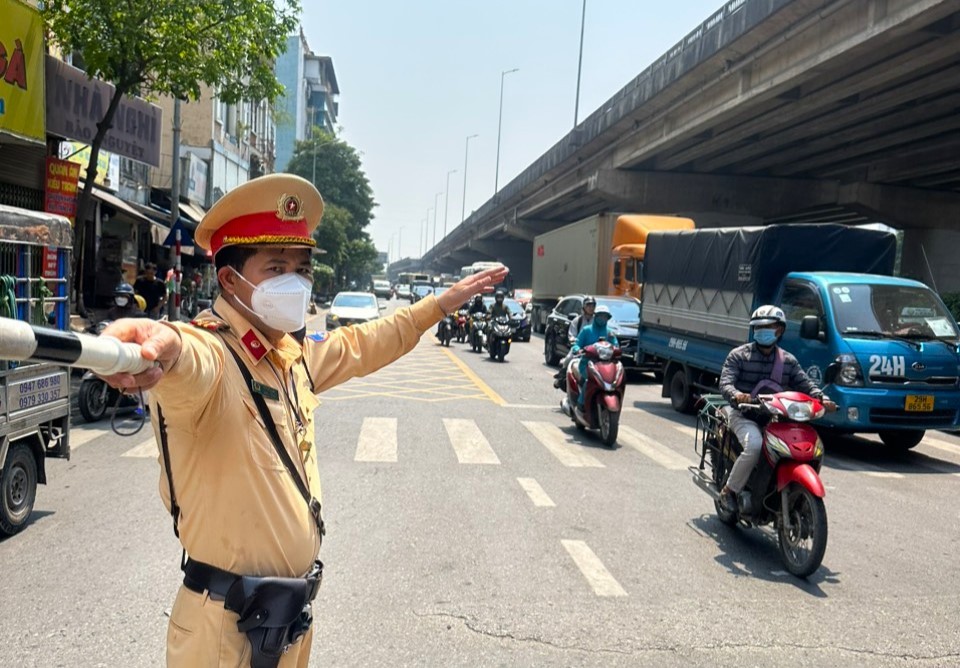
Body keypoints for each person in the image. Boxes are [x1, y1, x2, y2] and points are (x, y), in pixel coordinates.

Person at [98, 174, 508, 667]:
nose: (294, 281)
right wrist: (160, 341)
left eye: (302, 268)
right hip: (225, 632)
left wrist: (436, 306)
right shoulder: (216, 353)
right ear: (229, 280)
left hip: (285, 619)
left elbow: (362, 344)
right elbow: (189, 356)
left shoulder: (289, 357)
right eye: (276, 267)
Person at [718, 305, 836, 512]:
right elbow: (725, 382)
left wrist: (822, 398)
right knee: (755, 446)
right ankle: (729, 491)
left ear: (780, 330)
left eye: (769, 326)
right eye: (758, 327)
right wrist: (737, 395)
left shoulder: (788, 361)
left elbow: (806, 384)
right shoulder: (739, 355)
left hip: (777, 419)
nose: (762, 331)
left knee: (808, 448)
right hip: (744, 415)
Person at [570, 304, 618, 412]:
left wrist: (617, 351)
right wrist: (577, 349)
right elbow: (577, 344)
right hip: (587, 363)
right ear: (595, 316)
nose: (602, 318)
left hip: (606, 365)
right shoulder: (586, 330)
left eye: (605, 316)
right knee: (590, 380)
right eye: (600, 316)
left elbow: (616, 345)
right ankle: (581, 404)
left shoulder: (609, 333)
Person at [554, 296, 597, 387]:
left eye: (593, 306)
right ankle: (561, 377)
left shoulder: (597, 321)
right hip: (580, 348)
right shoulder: (577, 320)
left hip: (595, 349)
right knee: (569, 358)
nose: (591, 308)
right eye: (588, 305)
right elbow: (572, 335)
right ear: (584, 307)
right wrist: (576, 345)